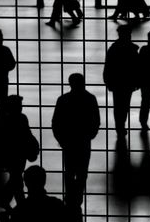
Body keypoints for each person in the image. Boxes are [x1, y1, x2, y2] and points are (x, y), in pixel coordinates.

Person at [52, 73, 100, 222]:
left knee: (69, 171)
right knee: (82, 172)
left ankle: (70, 197)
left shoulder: (63, 99)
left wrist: (61, 138)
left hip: (69, 141)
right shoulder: (90, 99)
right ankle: (77, 198)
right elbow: (95, 120)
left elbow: (56, 121)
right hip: (83, 140)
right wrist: (90, 135)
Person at [0, 95, 37, 214]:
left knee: (15, 179)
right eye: (19, 106)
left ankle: (8, 201)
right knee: (17, 180)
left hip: (11, 154)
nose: (21, 108)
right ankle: (20, 205)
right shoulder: (22, 118)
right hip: (19, 154)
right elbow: (28, 134)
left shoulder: (3, 119)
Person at [103, 25, 139, 137]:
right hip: (128, 81)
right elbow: (136, 66)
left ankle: (120, 126)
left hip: (117, 81)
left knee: (118, 105)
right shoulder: (132, 49)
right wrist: (137, 81)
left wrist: (107, 80)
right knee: (124, 105)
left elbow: (108, 66)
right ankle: (121, 125)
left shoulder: (114, 48)